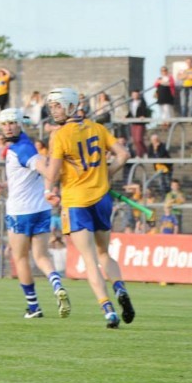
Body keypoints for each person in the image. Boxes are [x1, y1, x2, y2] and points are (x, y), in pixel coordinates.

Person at [42, 87, 134, 329]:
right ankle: (120, 288)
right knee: (105, 253)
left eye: (58, 105)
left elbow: (51, 173)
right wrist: (106, 174)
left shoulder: (59, 135)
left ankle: (108, 310)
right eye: (52, 106)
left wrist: (45, 183)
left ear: (72, 106)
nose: (54, 110)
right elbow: (123, 154)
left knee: (90, 259)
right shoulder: (98, 128)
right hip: (102, 198)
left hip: (76, 202)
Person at [0, 108, 69, 319]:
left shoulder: (21, 149)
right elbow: (24, 173)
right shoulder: (24, 144)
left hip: (20, 213)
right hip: (41, 210)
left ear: (20, 124)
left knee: (20, 257)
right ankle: (56, 283)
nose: (8, 127)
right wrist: (6, 183)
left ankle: (33, 307)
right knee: (41, 256)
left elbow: (42, 168)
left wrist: (50, 170)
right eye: (4, 124)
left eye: (12, 123)